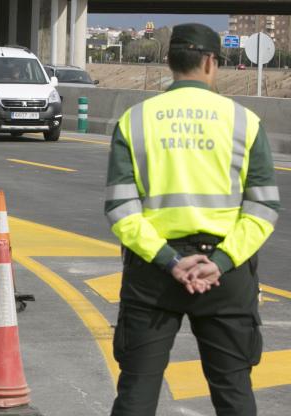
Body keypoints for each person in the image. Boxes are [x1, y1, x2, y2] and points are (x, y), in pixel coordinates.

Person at [104, 23, 280, 416]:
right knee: (234, 391)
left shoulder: (134, 120)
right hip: (226, 274)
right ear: (210, 62)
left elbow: (120, 208)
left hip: (154, 274)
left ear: (169, 61)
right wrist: (218, 263)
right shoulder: (244, 121)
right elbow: (264, 207)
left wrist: (169, 260)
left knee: (136, 392)